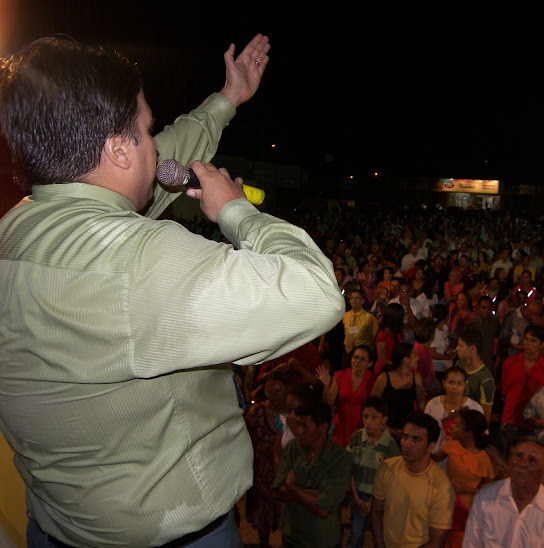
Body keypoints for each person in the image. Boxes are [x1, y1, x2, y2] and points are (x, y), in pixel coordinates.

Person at [0, 33, 346, 548]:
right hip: (175, 538)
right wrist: (236, 210)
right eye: (145, 130)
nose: (156, 142)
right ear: (118, 149)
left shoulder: (17, 231)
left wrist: (225, 102)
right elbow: (318, 291)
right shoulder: (137, 264)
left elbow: (153, 168)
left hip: (55, 528)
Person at [462, 436, 544, 547]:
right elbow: (471, 543)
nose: (522, 464)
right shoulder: (486, 497)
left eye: (532, 460)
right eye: (519, 456)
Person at [273, 400, 352, 548]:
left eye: (304, 427)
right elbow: (278, 492)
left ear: (323, 427)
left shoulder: (341, 458)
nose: (298, 431)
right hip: (292, 537)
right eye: (297, 425)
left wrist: (291, 487)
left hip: (322, 540)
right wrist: (313, 495)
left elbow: (322, 509)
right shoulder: (292, 449)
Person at [371, 412, 456, 548]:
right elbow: (376, 512)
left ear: (431, 446)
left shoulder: (441, 486)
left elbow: (436, 542)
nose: (407, 444)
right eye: (405, 437)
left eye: (416, 440)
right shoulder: (387, 468)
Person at [431, 409, 495, 548]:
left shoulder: (482, 458)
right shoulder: (451, 446)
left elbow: (489, 490)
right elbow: (434, 458)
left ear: (468, 434)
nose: (452, 427)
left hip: (469, 508)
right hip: (448, 502)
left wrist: (465, 489)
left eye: (458, 425)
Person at [346, 396, 401, 548]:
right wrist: (356, 499)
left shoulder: (390, 445)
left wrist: (372, 501)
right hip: (358, 495)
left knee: (380, 535)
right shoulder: (356, 437)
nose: (368, 421)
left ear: (384, 419)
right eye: (365, 416)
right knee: (356, 534)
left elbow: (392, 477)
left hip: (380, 498)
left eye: (374, 418)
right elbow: (348, 468)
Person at [244, 371, 288, 548]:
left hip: (285, 470)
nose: (274, 395)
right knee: (261, 514)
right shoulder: (256, 412)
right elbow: (246, 440)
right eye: (270, 391)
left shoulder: (292, 413)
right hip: (261, 470)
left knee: (286, 512)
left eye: (279, 391)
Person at [500, 324, 544, 447]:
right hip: (509, 419)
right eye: (526, 339)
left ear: (542, 344)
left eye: (533, 341)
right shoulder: (510, 363)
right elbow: (505, 390)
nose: (528, 343)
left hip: (532, 425)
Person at [316, 345, 376, 448]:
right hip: (342, 424)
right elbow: (328, 402)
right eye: (355, 357)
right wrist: (326, 385)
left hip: (362, 425)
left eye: (362, 359)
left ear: (369, 363)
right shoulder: (340, 375)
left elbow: (375, 406)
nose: (357, 361)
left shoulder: (373, 378)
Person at [425, 366, 485, 462]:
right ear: (444, 383)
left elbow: (481, 437)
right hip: (435, 458)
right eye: (451, 382)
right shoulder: (432, 404)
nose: (455, 387)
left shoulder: (474, 408)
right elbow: (425, 432)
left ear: (465, 385)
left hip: (463, 460)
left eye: (459, 383)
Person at [371, 342, 425, 441]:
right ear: (405, 360)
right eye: (415, 356)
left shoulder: (416, 377)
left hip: (408, 430)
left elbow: (420, 406)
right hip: (386, 429)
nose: (417, 358)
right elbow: (373, 406)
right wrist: (388, 429)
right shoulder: (384, 378)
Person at [454, 324, 496, 423]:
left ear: (472, 349)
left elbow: (485, 417)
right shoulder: (459, 365)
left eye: (461, 345)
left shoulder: (486, 380)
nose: (456, 348)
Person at [342, 288, 380, 357]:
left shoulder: (369, 317)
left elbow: (374, 337)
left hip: (362, 351)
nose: (354, 300)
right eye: (352, 298)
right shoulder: (345, 316)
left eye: (357, 298)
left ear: (362, 301)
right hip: (347, 350)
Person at [373, 303, 406, 375]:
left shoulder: (400, 332)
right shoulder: (383, 335)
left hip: (396, 368)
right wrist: (395, 363)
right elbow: (382, 359)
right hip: (385, 370)